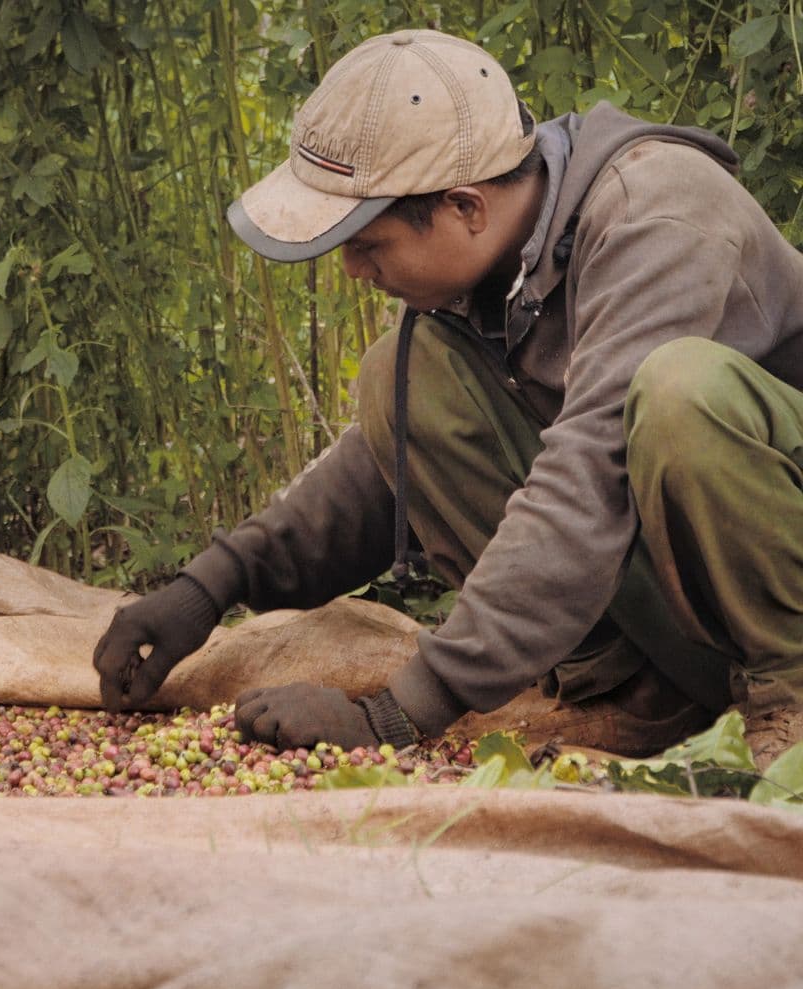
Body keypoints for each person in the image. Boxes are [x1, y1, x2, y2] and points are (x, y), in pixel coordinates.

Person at [94, 29, 803, 756]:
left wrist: (400, 713)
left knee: (680, 393)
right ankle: (637, 695)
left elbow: (588, 476)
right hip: (692, 605)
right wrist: (210, 585)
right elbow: (381, 471)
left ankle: (793, 697)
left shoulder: (658, 212)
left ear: (466, 207)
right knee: (399, 377)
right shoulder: (493, 272)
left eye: (367, 245)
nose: (353, 271)